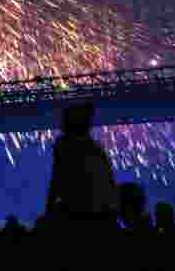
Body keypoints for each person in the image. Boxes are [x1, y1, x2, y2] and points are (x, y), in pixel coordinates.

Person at [44, 103, 119, 267]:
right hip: (101, 214)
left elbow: (58, 178)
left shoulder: (65, 143)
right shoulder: (95, 148)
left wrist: (49, 210)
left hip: (79, 212)